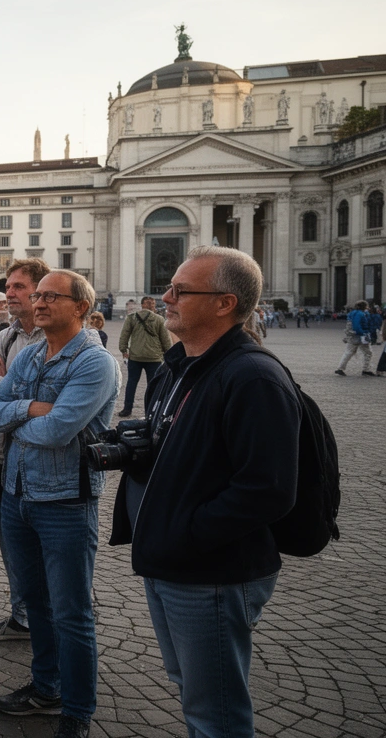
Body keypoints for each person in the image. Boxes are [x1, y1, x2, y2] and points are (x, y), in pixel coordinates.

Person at [109, 247, 299, 738]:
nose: (165, 297)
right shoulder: (178, 367)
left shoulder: (253, 377)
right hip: (169, 561)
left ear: (223, 303)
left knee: (214, 708)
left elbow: (268, 490)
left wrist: (184, 534)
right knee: (191, 687)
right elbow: (179, 448)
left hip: (211, 570)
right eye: (170, 286)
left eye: (181, 290)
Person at [0, 269, 120, 738]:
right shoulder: (34, 352)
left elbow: (58, 432)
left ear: (80, 306)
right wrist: (28, 410)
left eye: (49, 296)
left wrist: (16, 415)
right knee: (35, 603)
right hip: (17, 493)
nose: (37, 303)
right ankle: (46, 687)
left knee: (72, 611)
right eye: (35, 296)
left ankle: (77, 711)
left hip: (65, 502)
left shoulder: (95, 363)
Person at [0, 258, 50, 643]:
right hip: (2, 459)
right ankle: (21, 616)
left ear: (40, 291)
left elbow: (53, 405)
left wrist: (7, 389)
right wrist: (20, 394)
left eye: (18, 286)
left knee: (44, 553)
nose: (9, 294)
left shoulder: (55, 336)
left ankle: (48, 621)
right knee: (13, 550)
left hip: (40, 465)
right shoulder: (6, 336)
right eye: (9, 286)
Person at [118, 296, 170, 416]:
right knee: (153, 386)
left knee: (131, 383)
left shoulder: (132, 318)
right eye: (151, 303)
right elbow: (165, 339)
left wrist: (123, 349)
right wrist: (168, 354)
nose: (152, 305)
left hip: (135, 356)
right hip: (154, 357)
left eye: (152, 303)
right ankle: (150, 410)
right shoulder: (159, 319)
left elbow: (124, 334)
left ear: (141, 305)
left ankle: (127, 409)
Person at [336, 300, 376, 376]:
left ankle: (340, 368)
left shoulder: (354, 313)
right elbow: (357, 326)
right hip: (360, 336)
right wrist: (363, 333)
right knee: (368, 352)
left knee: (349, 352)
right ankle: (366, 369)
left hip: (353, 336)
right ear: (364, 306)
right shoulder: (360, 314)